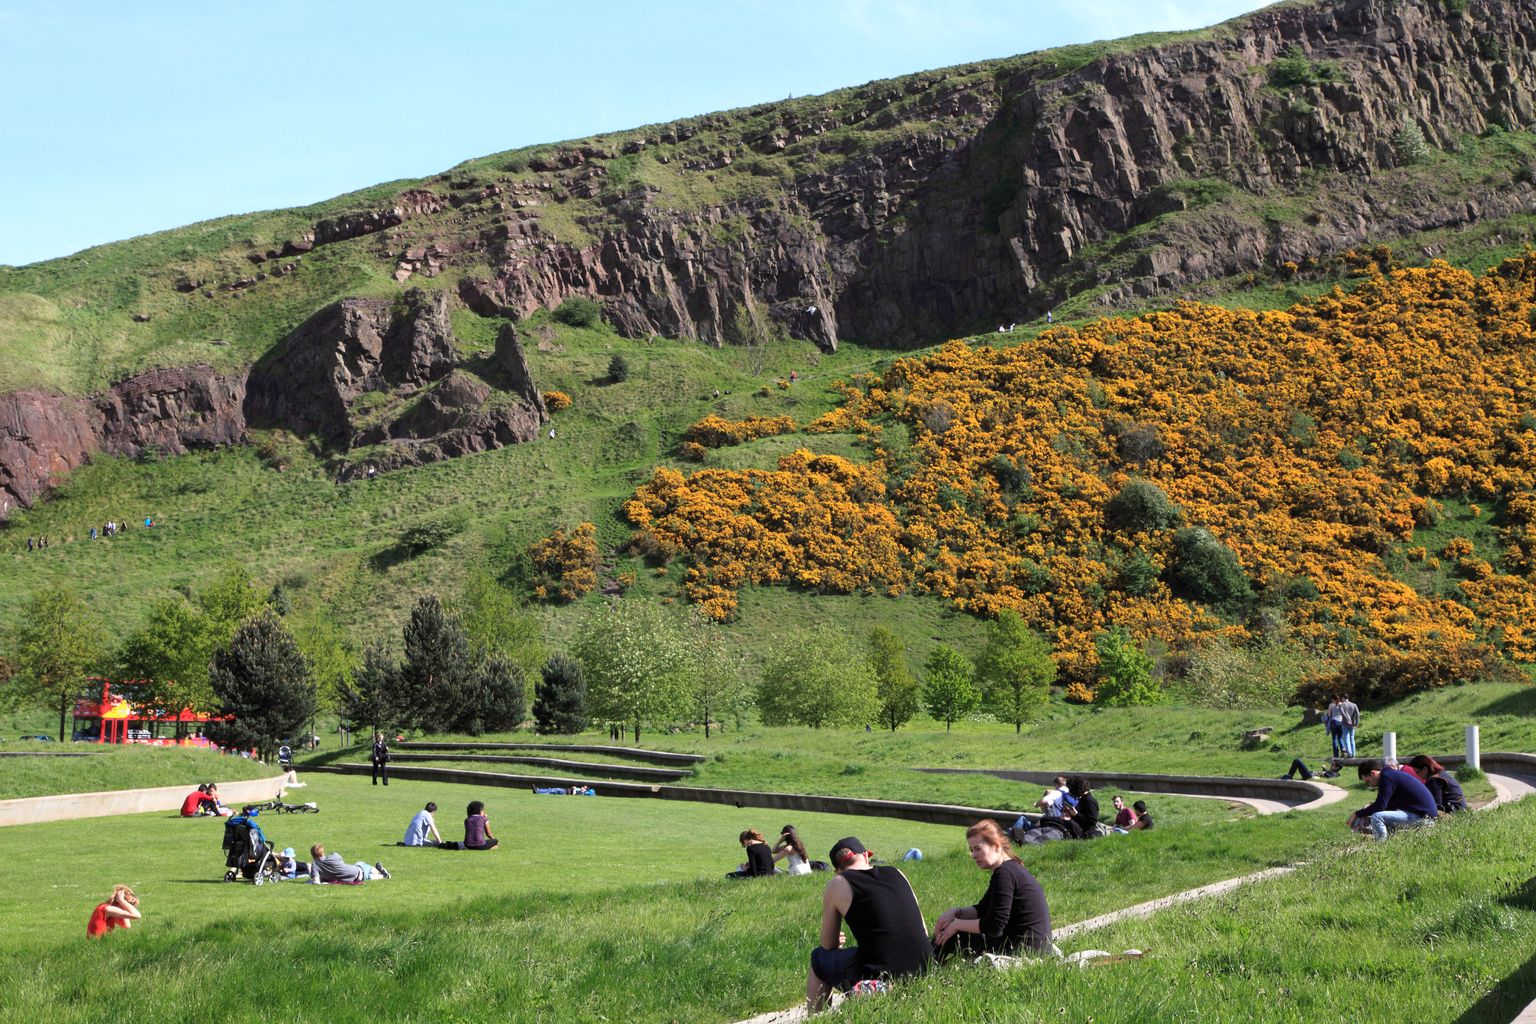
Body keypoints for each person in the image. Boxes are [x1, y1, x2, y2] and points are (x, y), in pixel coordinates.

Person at [805, 837, 931, 1010]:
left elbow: (827, 945)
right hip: (925, 967)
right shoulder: (896, 872)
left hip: (878, 976)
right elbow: (923, 928)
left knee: (818, 958)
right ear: (865, 856)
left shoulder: (838, 883)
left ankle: (817, 1019)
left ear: (837, 870)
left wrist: (836, 943)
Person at [932, 820, 1052, 960]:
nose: (973, 855)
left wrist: (956, 925)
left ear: (995, 846)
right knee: (954, 932)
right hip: (1035, 949)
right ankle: (929, 961)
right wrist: (956, 913)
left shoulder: (1005, 873)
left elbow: (994, 926)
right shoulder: (1010, 868)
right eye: (972, 850)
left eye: (978, 849)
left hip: (1024, 953)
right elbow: (983, 909)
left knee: (955, 936)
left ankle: (922, 966)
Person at [1348, 759, 1438, 840]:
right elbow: (1388, 806)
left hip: (1423, 817)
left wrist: (1357, 814)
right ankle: (1390, 841)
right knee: (1382, 818)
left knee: (1377, 817)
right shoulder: (1390, 775)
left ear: (1373, 773)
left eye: (1368, 781)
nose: (1369, 785)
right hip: (1426, 816)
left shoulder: (1387, 777)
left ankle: (1379, 847)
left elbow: (1380, 806)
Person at [309, 844, 390, 883]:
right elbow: (341, 864)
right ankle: (382, 872)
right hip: (356, 871)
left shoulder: (315, 865)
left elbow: (316, 882)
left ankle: (383, 874)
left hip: (353, 878)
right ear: (323, 852)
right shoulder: (334, 855)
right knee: (361, 864)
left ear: (312, 855)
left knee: (366, 874)